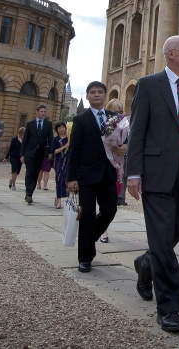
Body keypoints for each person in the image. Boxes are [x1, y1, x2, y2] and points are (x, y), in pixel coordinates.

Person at [126, 35, 179, 333]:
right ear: (171, 54)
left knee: (174, 233)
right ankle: (169, 308)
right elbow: (137, 131)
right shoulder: (149, 85)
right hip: (156, 173)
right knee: (162, 240)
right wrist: (133, 172)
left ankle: (146, 264)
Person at [66, 82, 120, 273]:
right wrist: (71, 178)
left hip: (107, 172)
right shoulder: (81, 119)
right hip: (87, 174)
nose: (96, 95)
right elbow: (74, 150)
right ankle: (85, 257)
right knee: (87, 216)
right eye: (92, 92)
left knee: (110, 210)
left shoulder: (115, 118)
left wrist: (124, 149)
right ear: (87, 96)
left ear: (105, 95)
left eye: (99, 92)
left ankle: (90, 239)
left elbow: (124, 142)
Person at [21, 105, 54, 204]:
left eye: (44, 111)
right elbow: (25, 139)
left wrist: (51, 153)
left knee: (36, 173)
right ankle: (28, 194)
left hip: (40, 152)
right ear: (37, 112)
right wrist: (22, 154)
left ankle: (30, 192)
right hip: (30, 152)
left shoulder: (48, 124)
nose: (43, 113)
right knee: (29, 171)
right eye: (41, 111)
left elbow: (51, 139)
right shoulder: (30, 124)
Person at [105, 98, 129, 207]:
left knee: (122, 176)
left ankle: (120, 197)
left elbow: (128, 140)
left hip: (120, 157)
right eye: (115, 111)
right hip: (107, 158)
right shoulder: (105, 123)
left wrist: (125, 147)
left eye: (120, 112)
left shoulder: (125, 124)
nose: (118, 114)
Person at [52, 123, 70, 209]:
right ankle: (59, 200)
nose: (61, 129)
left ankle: (60, 196)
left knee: (65, 180)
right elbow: (54, 151)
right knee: (59, 179)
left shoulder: (69, 138)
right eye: (59, 128)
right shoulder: (55, 139)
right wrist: (64, 147)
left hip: (68, 161)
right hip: (59, 161)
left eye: (63, 127)